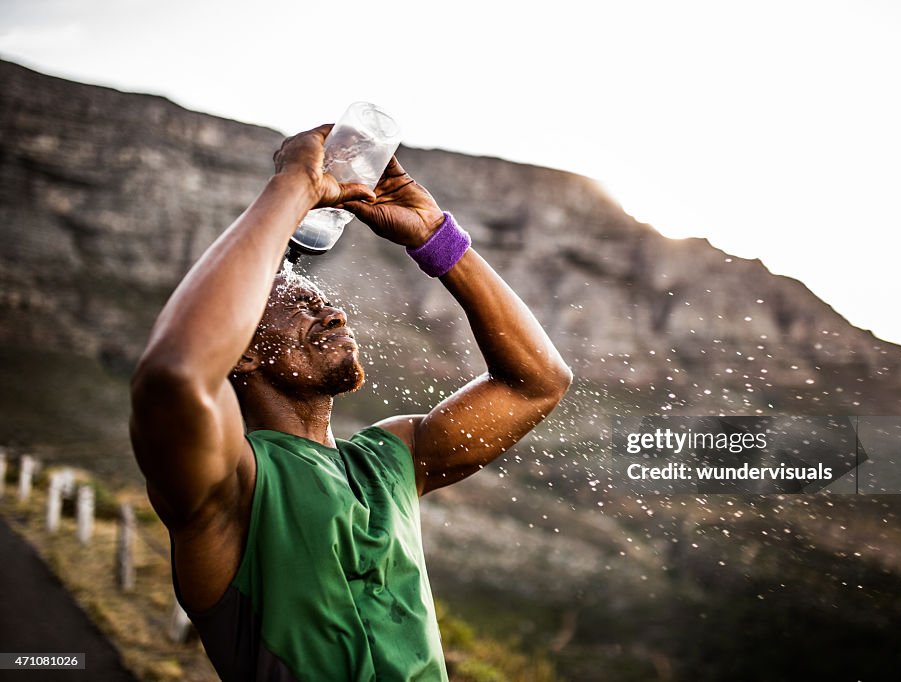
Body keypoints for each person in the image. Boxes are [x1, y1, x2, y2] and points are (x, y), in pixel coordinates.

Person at [129, 124, 572, 681]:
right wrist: (296, 183)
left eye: (326, 302)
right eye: (300, 307)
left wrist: (435, 236)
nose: (334, 314)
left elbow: (537, 383)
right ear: (241, 354)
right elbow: (174, 375)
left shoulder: (392, 459)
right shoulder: (229, 483)